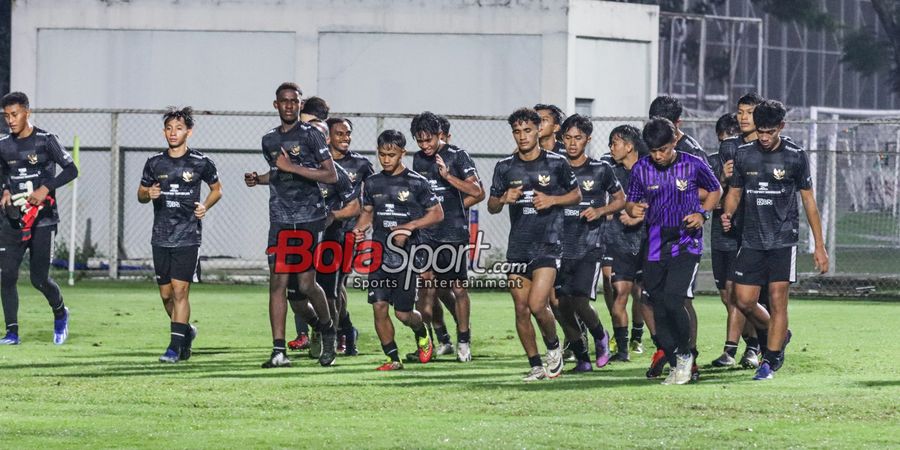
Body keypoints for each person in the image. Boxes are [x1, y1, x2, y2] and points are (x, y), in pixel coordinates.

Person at [722, 99, 829, 380]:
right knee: (742, 300)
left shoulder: (795, 155)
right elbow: (734, 191)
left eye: (771, 131)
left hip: (783, 239)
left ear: (781, 126)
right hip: (751, 238)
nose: (765, 137)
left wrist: (819, 245)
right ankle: (780, 334)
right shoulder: (745, 154)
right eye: (762, 131)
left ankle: (769, 361)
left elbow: (808, 201)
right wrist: (728, 212)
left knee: (778, 299)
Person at [245, 82, 338, 368]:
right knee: (278, 284)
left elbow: (330, 175)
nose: (288, 105)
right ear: (276, 105)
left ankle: (328, 330)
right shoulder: (269, 140)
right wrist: (258, 179)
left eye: (294, 101)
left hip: (308, 218)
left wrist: (292, 168)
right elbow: (278, 174)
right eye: (283, 101)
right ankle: (278, 350)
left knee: (308, 284)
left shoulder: (312, 135)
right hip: (280, 219)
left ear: (300, 105)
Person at [625, 117, 721, 385]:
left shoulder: (693, 164)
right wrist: (634, 210)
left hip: (686, 240)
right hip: (655, 240)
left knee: (673, 299)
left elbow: (716, 190)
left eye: (663, 150)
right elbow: (631, 203)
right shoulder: (641, 168)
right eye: (653, 151)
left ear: (674, 141)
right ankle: (676, 355)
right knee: (654, 302)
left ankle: (687, 355)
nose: (658, 156)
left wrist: (702, 214)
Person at [488, 107, 581, 381]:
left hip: (548, 244)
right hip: (518, 247)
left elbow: (575, 195)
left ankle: (553, 347)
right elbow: (492, 205)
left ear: (538, 130)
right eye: (517, 131)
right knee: (520, 308)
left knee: (538, 304)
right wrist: (504, 197)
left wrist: (552, 200)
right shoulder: (504, 167)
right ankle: (535, 364)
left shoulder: (557, 163)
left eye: (527, 130)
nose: (522, 136)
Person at [353, 129, 444, 371]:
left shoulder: (417, 182)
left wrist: (409, 226)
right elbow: (368, 213)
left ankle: (422, 331)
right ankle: (393, 359)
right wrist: (359, 230)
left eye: (391, 155)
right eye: (382, 154)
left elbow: (437, 213)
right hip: (379, 255)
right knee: (379, 306)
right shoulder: (372, 182)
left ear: (402, 153)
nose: (386, 159)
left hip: (407, 256)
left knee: (403, 314)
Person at [138, 107, 222, 362]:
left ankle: (174, 348)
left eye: (178, 128)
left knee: (180, 291)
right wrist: (148, 194)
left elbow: (217, 189)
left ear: (188, 131)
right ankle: (185, 332)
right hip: (161, 236)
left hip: (188, 236)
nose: (173, 133)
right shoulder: (154, 163)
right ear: (164, 131)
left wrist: (204, 206)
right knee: (166, 295)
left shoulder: (201, 162)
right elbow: (141, 194)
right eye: (169, 128)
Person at [0, 91, 78, 346]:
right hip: (13, 220)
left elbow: (72, 169)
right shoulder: (3, 144)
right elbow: (3, 174)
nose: (10, 120)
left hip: (43, 220)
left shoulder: (45, 140)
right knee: (7, 275)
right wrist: (5, 190)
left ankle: (60, 312)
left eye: (15, 114)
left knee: (38, 279)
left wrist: (46, 188)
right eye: (6, 116)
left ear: (27, 112)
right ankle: (12, 332)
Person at [409, 112, 482, 362]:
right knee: (426, 284)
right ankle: (433, 341)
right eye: (420, 141)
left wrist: (448, 178)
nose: (425, 146)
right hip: (427, 234)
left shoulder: (457, 156)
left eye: (429, 140)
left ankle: (464, 341)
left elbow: (477, 191)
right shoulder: (418, 160)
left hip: (453, 232)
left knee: (457, 288)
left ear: (440, 134)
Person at [555, 114, 624, 372]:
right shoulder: (554, 169)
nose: (573, 144)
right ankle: (582, 358)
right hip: (560, 246)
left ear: (588, 139)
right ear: (562, 139)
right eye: (568, 138)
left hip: (589, 245)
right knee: (563, 305)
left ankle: (600, 336)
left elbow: (621, 200)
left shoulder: (600, 169)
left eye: (578, 138)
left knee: (580, 300)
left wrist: (600, 211)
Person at [709, 94, 765, 369]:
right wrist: (724, 177)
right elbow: (717, 190)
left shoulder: (768, 148)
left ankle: (743, 349)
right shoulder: (728, 147)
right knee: (727, 296)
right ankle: (757, 343)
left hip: (753, 232)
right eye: (740, 112)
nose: (743, 117)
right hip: (724, 230)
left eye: (749, 112)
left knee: (743, 296)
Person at [313, 116, 375, 356]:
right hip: (314, 234)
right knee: (315, 287)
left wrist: (360, 229)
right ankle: (344, 329)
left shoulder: (361, 164)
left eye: (348, 133)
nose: (345, 138)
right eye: (340, 134)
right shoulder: (316, 164)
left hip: (344, 235)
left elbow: (370, 202)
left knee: (335, 287)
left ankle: (336, 334)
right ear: (328, 137)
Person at [603, 125, 651, 364]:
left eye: (615, 143)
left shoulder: (649, 170)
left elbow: (661, 199)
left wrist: (638, 215)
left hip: (647, 241)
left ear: (629, 146)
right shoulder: (612, 172)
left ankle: (654, 343)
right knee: (619, 292)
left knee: (645, 295)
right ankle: (621, 350)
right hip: (619, 241)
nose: (611, 148)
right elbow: (611, 202)